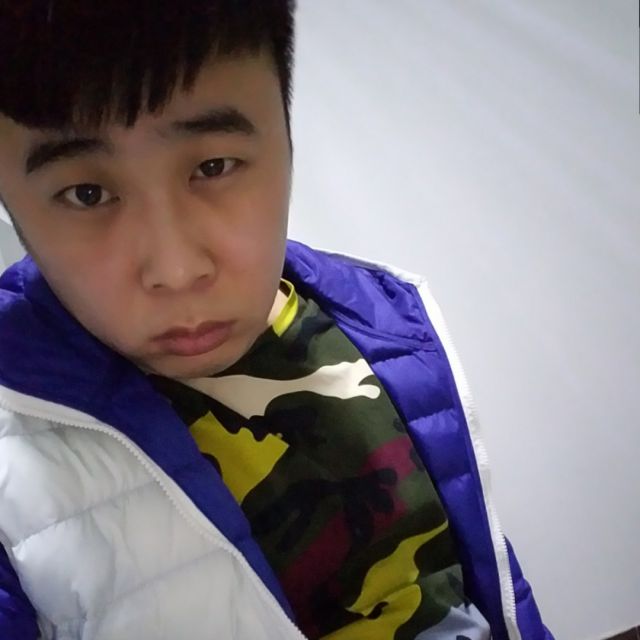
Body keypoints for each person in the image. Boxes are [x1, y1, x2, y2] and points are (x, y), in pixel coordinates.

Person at [0, 2, 552, 639]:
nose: (176, 270)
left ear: (287, 137)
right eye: (87, 194)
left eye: (213, 166)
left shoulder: (384, 320)